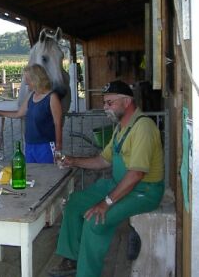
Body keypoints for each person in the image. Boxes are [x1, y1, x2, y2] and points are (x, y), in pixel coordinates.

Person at [48, 80, 164, 277]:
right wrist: (72, 160)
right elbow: (103, 160)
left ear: (126, 102)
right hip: (119, 184)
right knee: (75, 202)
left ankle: (87, 273)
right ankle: (72, 259)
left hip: (143, 191)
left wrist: (106, 202)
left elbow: (136, 174)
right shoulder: (121, 128)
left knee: (95, 221)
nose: (105, 108)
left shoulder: (143, 127)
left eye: (109, 103)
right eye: (104, 103)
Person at [0, 64, 63, 163]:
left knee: (47, 174)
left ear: (36, 79)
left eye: (28, 79)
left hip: (46, 146)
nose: (26, 83)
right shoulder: (31, 96)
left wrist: (58, 147)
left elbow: (58, 124)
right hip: (29, 145)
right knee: (31, 174)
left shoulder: (52, 97)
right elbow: (18, 113)